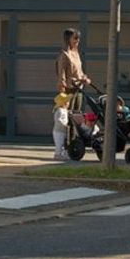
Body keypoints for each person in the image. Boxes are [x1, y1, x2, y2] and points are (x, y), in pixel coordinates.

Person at [53, 28, 91, 161]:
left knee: (75, 121)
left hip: (78, 91)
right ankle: (59, 151)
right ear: (68, 39)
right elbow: (61, 76)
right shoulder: (64, 55)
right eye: (75, 38)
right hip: (68, 91)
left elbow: (79, 72)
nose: (78, 41)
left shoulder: (77, 54)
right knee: (62, 119)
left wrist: (85, 78)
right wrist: (63, 95)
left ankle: (71, 149)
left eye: (79, 38)